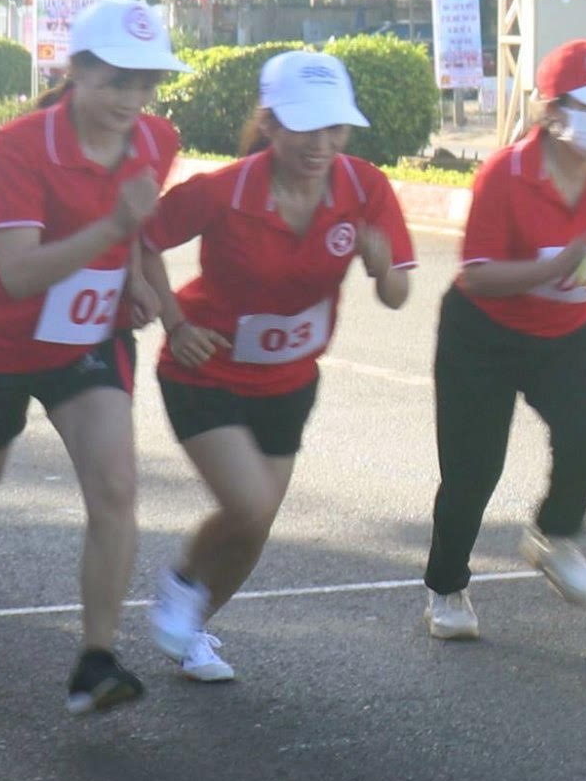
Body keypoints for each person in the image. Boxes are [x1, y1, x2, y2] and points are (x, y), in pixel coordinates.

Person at [0, 0, 187, 711]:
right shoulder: (21, 146)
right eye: (116, 81)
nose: (132, 99)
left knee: (116, 486)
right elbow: (20, 272)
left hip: (86, 340)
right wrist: (115, 228)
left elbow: (135, 230)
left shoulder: (157, 140)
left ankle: (97, 658)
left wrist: (139, 280)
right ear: (75, 72)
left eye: (146, 82)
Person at [136, 49, 415, 684]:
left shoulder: (363, 187)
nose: (321, 144)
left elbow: (398, 294)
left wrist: (381, 266)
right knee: (250, 505)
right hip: (205, 370)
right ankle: (181, 583)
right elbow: (143, 238)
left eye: (334, 128)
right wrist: (175, 322)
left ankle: (194, 628)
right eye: (304, 127)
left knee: (255, 528)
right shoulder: (226, 189)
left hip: (289, 380)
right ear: (270, 123)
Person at [423, 38, 586, 642]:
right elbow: (475, 275)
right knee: (473, 472)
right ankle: (446, 589)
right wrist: (551, 268)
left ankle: (552, 535)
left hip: (569, 333)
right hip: (483, 337)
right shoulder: (505, 176)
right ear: (554, 112)